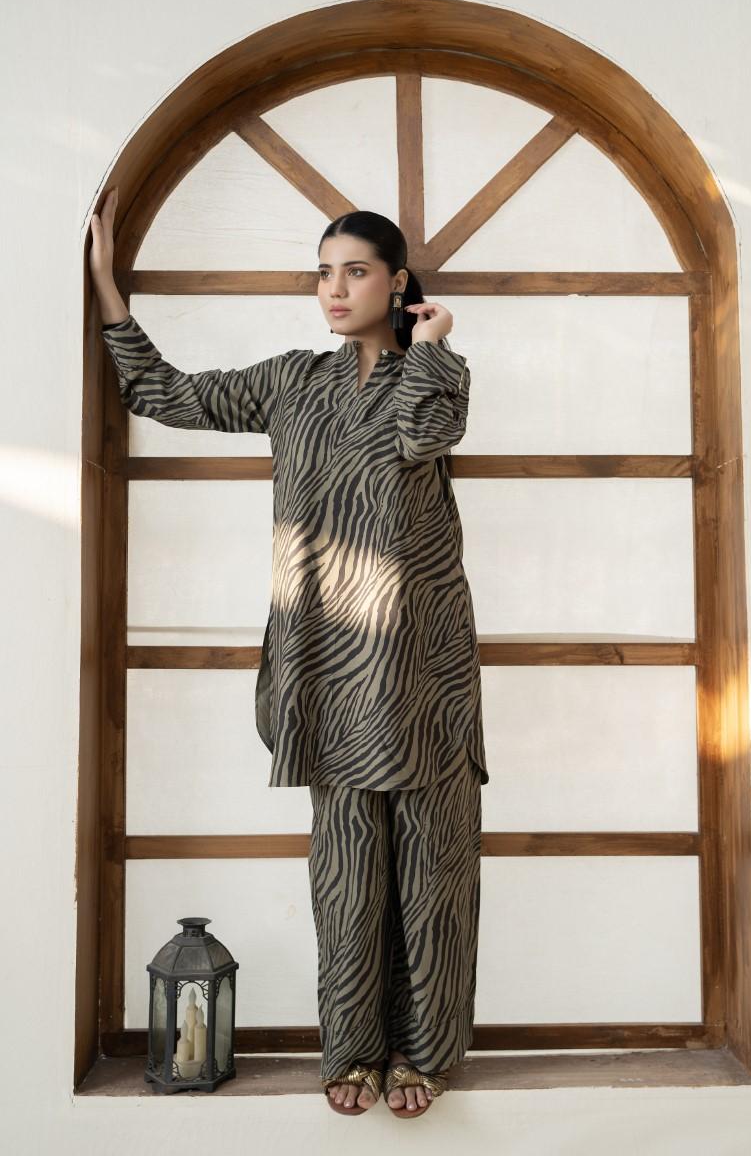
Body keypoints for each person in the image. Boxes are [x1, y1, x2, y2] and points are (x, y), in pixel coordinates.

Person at [90, 190, 488, 1118]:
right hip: (326, 669)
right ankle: (351, 1051)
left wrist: (432, 347)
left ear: (397, 283)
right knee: (346, 877)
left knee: (432, 874)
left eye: (356, 271)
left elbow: (425, 436)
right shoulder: (290, 382)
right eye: (323, 272)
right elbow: (165, 394)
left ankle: (424, 1053)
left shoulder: (438, 376)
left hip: (420, 671)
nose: (334, 289)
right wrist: (108, 287)